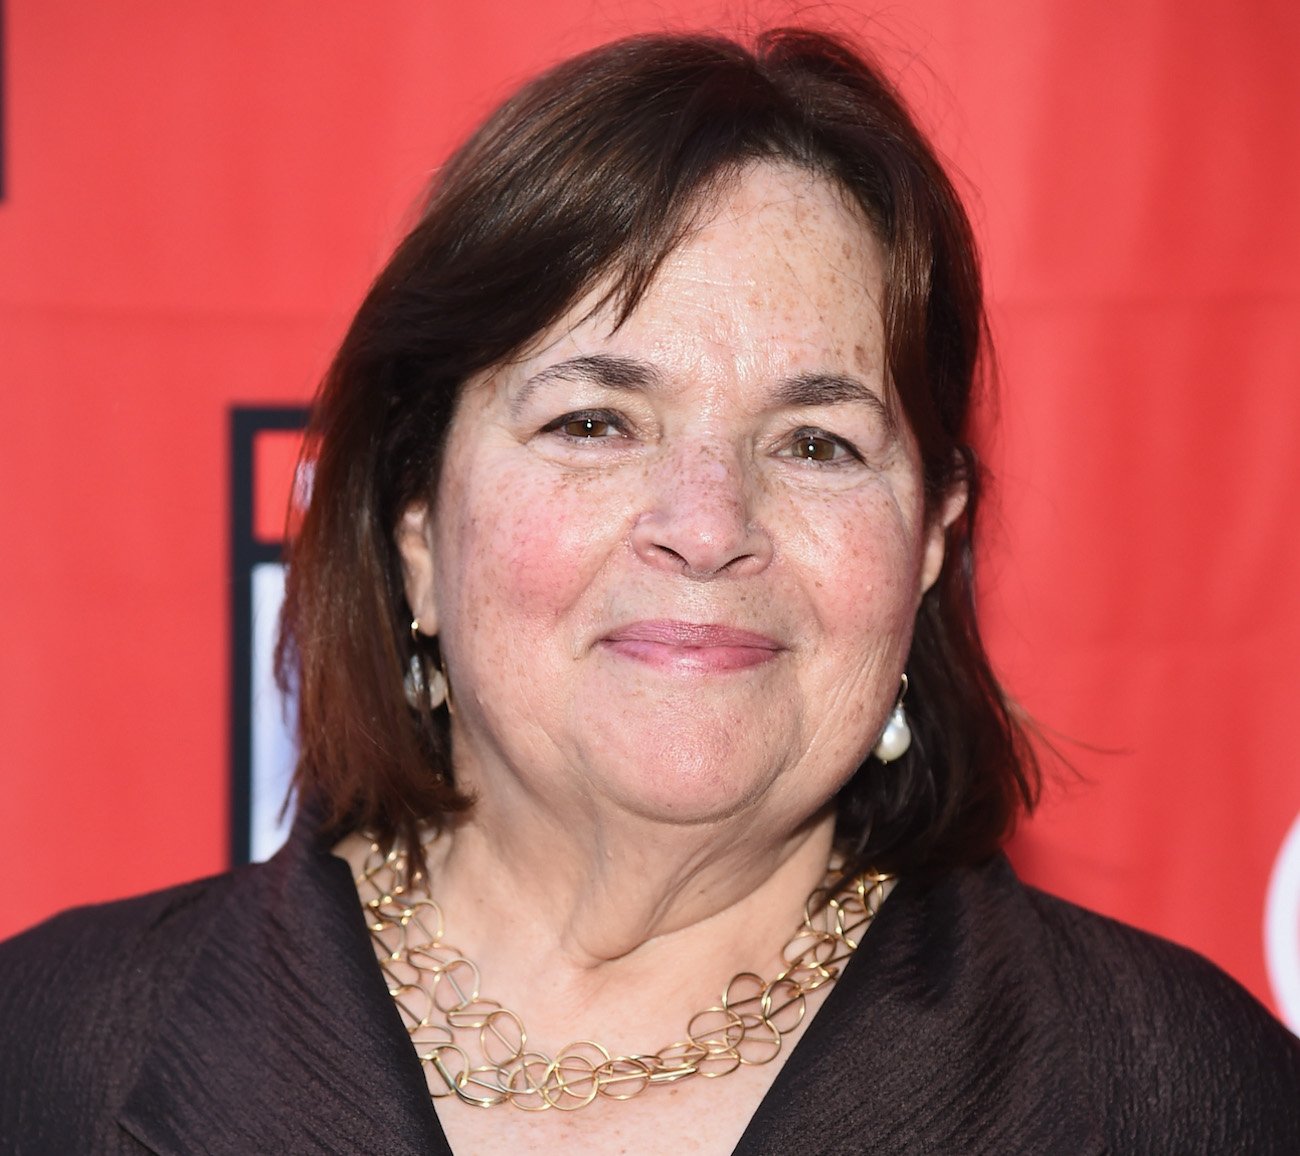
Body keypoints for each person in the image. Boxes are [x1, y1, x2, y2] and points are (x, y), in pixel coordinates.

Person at [1, 27, 1297, 1156]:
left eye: (816, 444)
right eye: (594, 423)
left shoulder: (1180, 1090)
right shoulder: (49, 1051)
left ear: (932, 548)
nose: (709, 526)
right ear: (414, 530)